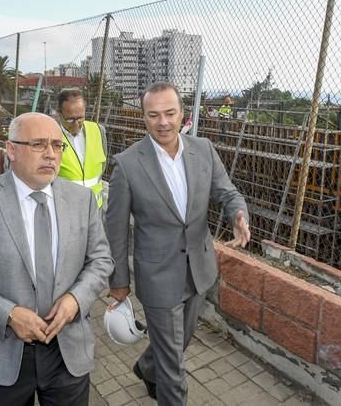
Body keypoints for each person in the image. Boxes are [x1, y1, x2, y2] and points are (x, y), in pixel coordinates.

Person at [0, 112, 114, 406]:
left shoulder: (82, 200)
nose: (50, 155)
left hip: (67, 350)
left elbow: (101, 260)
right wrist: (8, 314)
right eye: (38, 145)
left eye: (57, 146)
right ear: (12, 150)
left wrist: (75, 300)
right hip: (5, 352)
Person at [106, 81, 251, 405]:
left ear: (182, 113)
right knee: (174, 369)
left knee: (178, 341)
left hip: (199, 269)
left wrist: (238, 215)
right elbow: (114, 230)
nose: (163, 122)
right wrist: (118, 282)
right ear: (143, 117)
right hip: (158, 278)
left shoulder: (204, 150)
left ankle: (146, 366)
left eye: (170, 113)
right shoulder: (128, 165)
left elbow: (227, 192)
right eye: (153, 115)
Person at [55, 88, 108, 209]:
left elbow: (102, 166)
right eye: (70, 119)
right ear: (59, 113)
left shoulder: (98, 131)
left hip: (95, 209)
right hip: (64, 209)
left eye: (80, 118)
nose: (75, 124)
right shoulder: (50, 135)